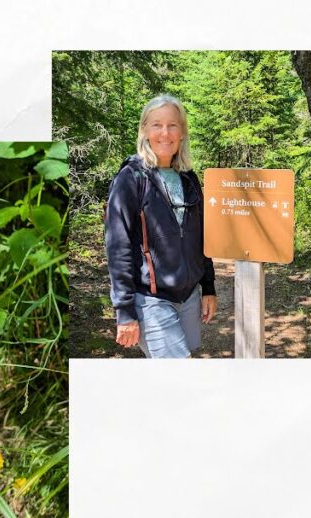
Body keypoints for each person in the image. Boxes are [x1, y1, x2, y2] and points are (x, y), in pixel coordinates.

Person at [104, 94, 218, 358]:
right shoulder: (130, 178)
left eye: (172, 125)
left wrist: (208, 288)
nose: (165, 133)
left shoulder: (188, 178)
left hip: (188, 297)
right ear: (145, 130)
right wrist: (124, 311)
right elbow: (117, 247)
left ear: (182, 132)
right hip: (151, 299)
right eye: (157, 125)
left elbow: (203, 236)